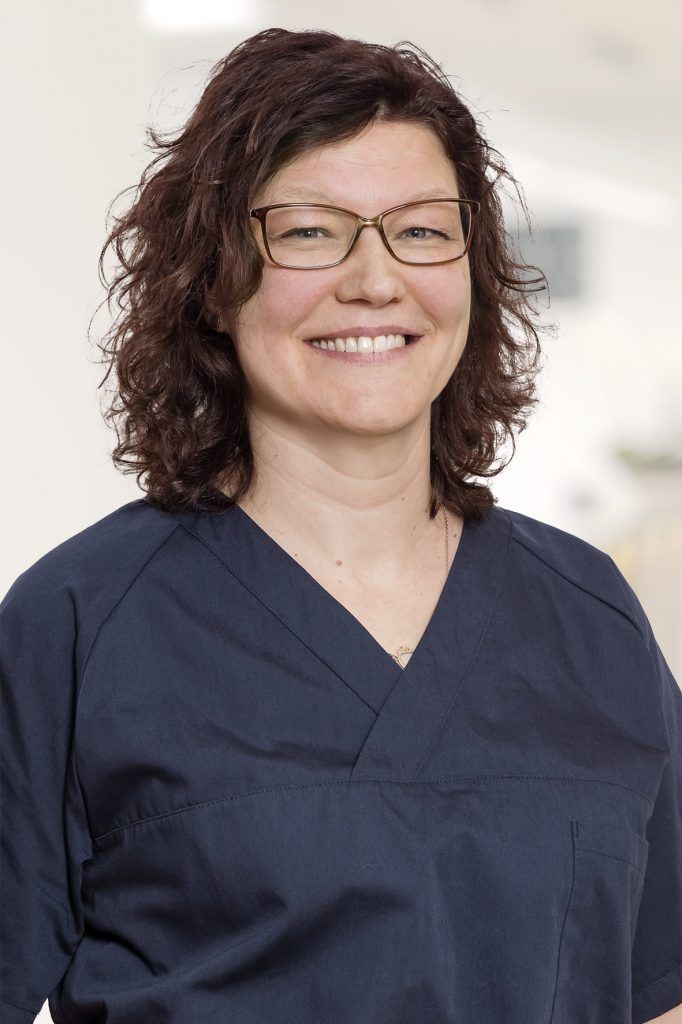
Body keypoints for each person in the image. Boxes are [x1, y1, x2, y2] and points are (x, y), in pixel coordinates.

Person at [1, 26, 680, 1024]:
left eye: (422, 231)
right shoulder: (79, 623)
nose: (374, 278)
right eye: (312, 231)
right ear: (212, 278)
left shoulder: (589, 618)